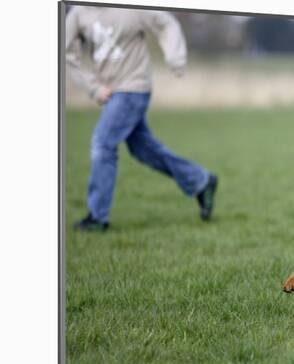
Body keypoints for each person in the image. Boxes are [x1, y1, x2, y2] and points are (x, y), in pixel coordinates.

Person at [66, 6, 217, 231]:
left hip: (134, 87)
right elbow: (67, 54)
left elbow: (166, 22)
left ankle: (97, 218)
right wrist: (93, 88)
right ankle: (201, 181)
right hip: (110, 91)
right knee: (144, 149)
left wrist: (175, 58)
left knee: (103, 143)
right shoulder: (77, 14)